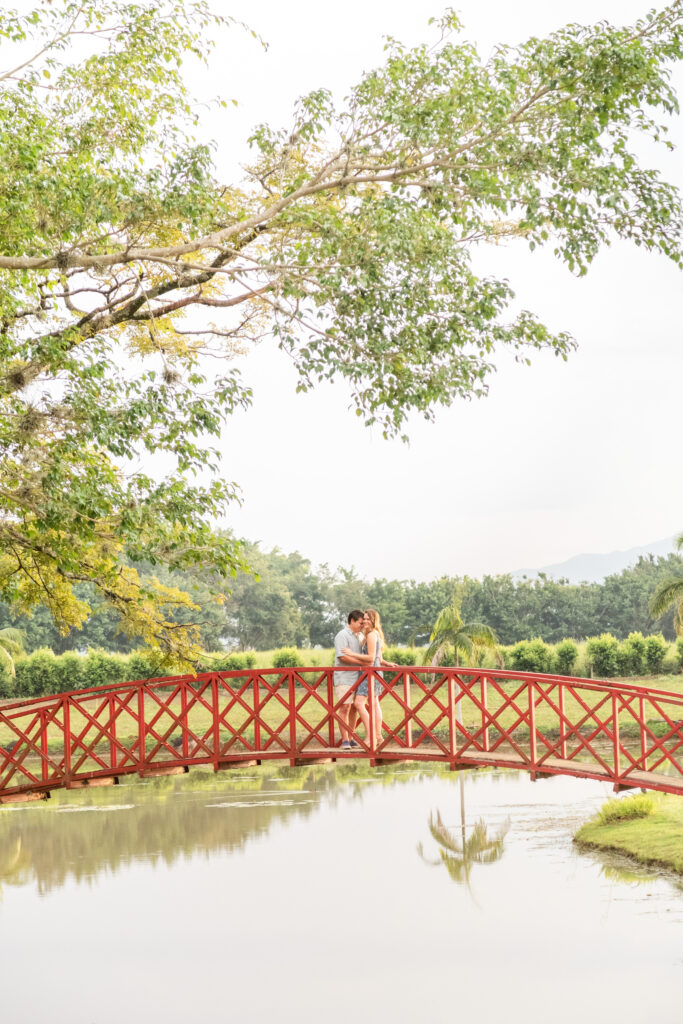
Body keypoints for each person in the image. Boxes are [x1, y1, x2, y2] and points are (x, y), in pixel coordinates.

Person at [343, 608, 396, 749]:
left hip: (370, 673)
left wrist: (351, 654)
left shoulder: (372, 635)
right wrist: (385, 663)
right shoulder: (374, 634)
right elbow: (378, 657)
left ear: (374, 620)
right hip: (375, 671)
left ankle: (370, 737)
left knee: (359, 703)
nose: (365, 621)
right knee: (374, 703)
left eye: (368, 619)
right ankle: (378, 736)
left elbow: (371, 658)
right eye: (364, 619)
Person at [333, 610, 364, 750]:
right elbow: (342, 657)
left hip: (358, 677)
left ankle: (351, 737)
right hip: (344, 677)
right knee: (345, 706)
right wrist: (361, 663)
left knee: (354, 708)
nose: (362, 625)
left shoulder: (361, 636)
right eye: (360, 623)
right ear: (352, 621)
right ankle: (344, 740)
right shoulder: (342, 635)